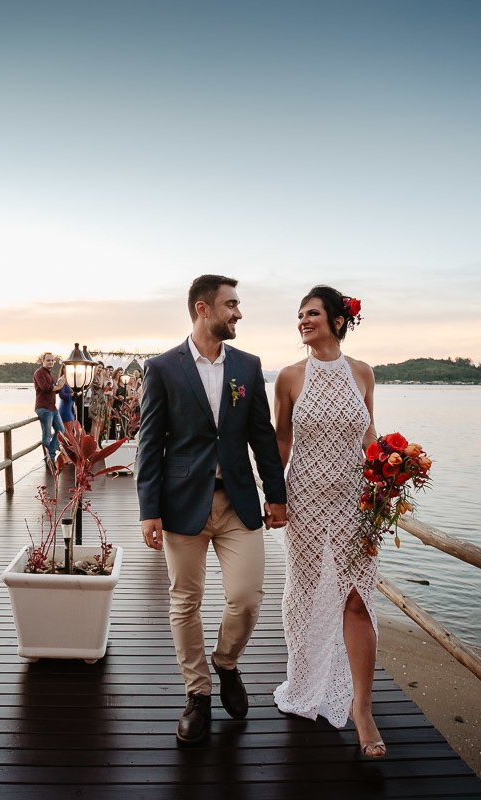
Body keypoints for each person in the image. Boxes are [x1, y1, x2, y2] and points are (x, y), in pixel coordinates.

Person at [136, 274, 287, 745]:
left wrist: (276, 495)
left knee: (247, 597)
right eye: (231, 305)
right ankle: (197, 694)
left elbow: (262, 436)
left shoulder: (248, 366)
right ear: (203, 309)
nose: (238, 313)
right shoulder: (163, 368)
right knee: (185, 600)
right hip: (182, 504)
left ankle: (226, 662)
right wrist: (148, 509)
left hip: (239, 502)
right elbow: (149, 443)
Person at [271, 285, 385, 759]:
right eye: (300, 315)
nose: (303, 321)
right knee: (305, 597)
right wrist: (272, 498)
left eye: (312, 313)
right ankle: (304, 681)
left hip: (356, 505)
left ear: (337, 321)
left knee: (357, 601)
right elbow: (281, 441)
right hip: (306, 504)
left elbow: (369, 433)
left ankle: (363, 709)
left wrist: (388, 475)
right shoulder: (289, 377)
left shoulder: (362, 373)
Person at [32, 353, 66, 464]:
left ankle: (51, 454)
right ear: (43, 361)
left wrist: (59, 385)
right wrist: (59, 386)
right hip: (44, 408)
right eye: (48, 360)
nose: (50, 362)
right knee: (46, 435)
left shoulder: (50, 374)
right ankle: (49, 458)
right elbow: (45, 388)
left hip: (53, 408)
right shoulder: (39, 373)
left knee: (61, 430)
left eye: (52, 360)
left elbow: (54, 390)